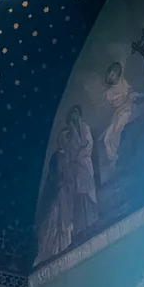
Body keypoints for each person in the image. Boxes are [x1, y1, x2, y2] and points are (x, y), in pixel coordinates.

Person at [36, 105, 98, 262]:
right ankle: (60, 245)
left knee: (79, 203)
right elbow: (55, 176)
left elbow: (85, 146)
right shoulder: (58, 156)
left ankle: (84, 228)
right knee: (59, 219)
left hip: (80, 170)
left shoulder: (83, 128)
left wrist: (76, 161)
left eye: (76, 114)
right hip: (63, 190)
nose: (66, 140)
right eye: (64, 139)